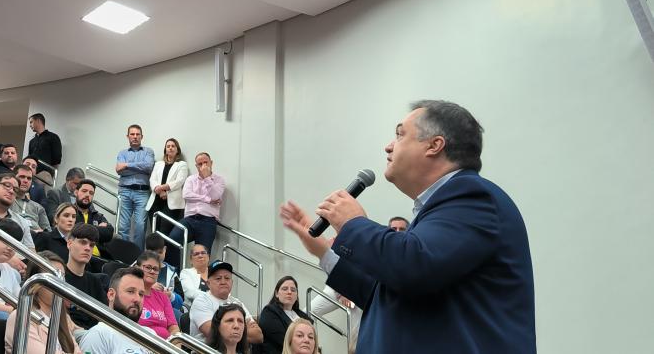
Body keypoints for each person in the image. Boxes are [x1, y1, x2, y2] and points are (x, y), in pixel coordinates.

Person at [280, 100, 536, 353]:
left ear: (434, 145)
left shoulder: (473, 197)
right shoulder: (439, 213)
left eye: (400, 135)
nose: (388, 146)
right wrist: (324, 251)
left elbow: (414, 265)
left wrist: (354, 224)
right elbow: (386, 293)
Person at [4, 251, 82, 354]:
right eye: (53, 277)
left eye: (62, 277)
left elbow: (76, 351)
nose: (60, 284)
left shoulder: (62, 317)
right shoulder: (21, 316)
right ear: (35, 283)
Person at [167, 152, 224, 268]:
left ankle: (199, 284)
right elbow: (187, 194)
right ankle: (175, 277)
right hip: (189, 219)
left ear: (211, 163)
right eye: (200, 164)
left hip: (208, 221)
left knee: (202, 256)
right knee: (172, 240)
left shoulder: (219, 180)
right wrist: (207, 199)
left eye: (205, 163)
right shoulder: (191, 179)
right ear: (196, 166)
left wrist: (207, 178)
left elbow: (215, 196)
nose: (203, 166)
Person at [77, 266, 152, 354]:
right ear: (111, 295)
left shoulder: (150, 334)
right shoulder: (99, 334)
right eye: (130, 291)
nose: (137, 299)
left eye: (141, 294)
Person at [189, 260, 263, 345]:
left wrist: (225, 330)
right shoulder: (201, 301)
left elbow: (258, 336)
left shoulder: (237, 303)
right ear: (208, 283)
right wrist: (245, 329)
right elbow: (213, 334)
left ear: (232, 282)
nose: (223, 282)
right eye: (218, 278)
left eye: (227, 278)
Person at [115, 124, 155, 248]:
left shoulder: (148, 151)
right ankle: (122, 256)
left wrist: (127, 165)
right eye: (132, 134)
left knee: (140, 226)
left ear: (142, 136)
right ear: (128, 136)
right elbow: (119, 170)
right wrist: (139, 168)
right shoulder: (122, 153)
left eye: (138, 134)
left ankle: (137, 257)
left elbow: (148, 166)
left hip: (142, 193)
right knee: (123, 226)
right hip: (124, 191)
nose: (135, 137)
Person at [62, 224, 108, 329]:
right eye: (83, 242)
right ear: (69, 243)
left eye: (91, 245)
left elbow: (104, 319)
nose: (87, 248)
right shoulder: (58, 276)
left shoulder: (95, 282)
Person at [146, 138, 189, 235]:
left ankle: (164, 250)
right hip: (155, 201)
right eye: (168, 146)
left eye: (173, 146)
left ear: (177, 149)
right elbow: (152, 180)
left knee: (164, 233)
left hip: (172, 204)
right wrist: (160, 191)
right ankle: (154, 251)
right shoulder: (158, 164)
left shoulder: (182, 165)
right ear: (165, 149)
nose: (170, 148)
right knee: (154, 233)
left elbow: (179, 181)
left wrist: (162, 188)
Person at [134, 251, 180, 339]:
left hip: (165, 346)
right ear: (137, 268)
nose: (152, 271)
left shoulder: (163, 297)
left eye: (155, 269)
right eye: (148, 267)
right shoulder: (130, 294)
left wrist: (175, 345)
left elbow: (174, 328)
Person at [257, 276, 309, 354]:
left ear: (296, 295)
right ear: (276, 294)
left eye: (293, 290)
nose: (289, 292)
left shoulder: (303, 316)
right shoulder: (269, 312)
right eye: (285, 289)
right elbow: (285, 340)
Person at [10, 164, 52, 249]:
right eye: (22, 177)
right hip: (13, 238)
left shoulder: (38, 207)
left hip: (36, 242)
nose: (25, 181)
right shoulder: (7, 200)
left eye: (29, 178)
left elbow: (48, 232)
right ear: (13, 178)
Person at [143, 233, 184, 317]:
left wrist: (170, 296)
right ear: (146, 251)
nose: (156, 256)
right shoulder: (137, 267)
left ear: (165, 249)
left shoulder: (172, 273)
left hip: (162, 312)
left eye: (160, 252)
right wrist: (148, 287)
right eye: (153, 253)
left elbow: (181, 300)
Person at [72, 179, 113, 258]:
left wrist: (83, 228)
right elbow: (72, 230)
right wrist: (98, 228)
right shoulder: (70, 212)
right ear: (76, 192)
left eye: (91, 193)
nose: (87, 195)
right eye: (84, 191)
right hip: (79, 255)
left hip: (101, 257)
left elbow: (109, 233)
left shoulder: (98, 216)